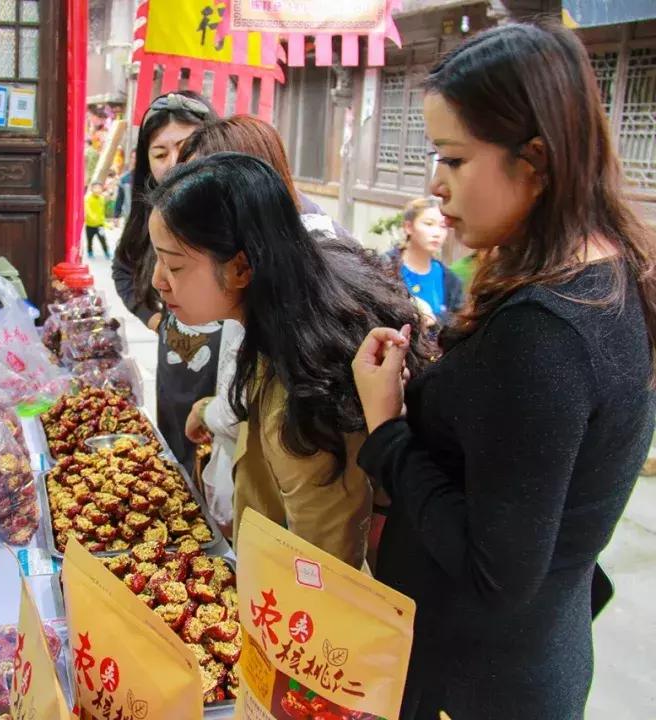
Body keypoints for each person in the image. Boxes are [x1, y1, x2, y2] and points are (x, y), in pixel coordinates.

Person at [351, 22, 656, 719]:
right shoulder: (610, 273)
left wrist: (386, 427)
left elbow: (498, 572)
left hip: (477, 679)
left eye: (454, 158)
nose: (435, 183)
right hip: (528, 656)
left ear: (536, 161)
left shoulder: (544, 335)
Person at [149, 153, 423, 567]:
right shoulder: (289, 306)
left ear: (241, 268)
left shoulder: (304, 392)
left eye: (173, 264)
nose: (158, 280)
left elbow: (326, 569)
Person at [178, 115, 359, 534]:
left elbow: (266, 412)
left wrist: (210, 413)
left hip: (292, 527)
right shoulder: (250, 258)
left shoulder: (296, 275)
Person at [111, 90, 219, 472]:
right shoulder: (150, 213)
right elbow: (122, 268)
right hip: (178, 363)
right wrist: (153, 319)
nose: (175, 163)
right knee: (179, 461)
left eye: (187, 147)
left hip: (228, 371)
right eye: (160, 154)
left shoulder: (238, 210)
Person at [390, 197, 463, 328]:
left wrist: (435, 320)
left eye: (443, 226)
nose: (437, 233)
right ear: (408, 227)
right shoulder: (384, 267)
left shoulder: (451, 280)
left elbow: (457, 323)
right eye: (429, 224)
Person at [84, 182, 110, 259]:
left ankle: (106, 252)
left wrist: (106, 224)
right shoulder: (88, 199)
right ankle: (90, 252)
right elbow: (87, 210)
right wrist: (92, 217)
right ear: (92, 189)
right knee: (90, 240)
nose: (97, 190)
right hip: (90, 225)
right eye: (95, 188)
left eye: (99, 188)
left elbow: (102, 213)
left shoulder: (102, 199)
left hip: (99, 225)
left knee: (103, 239)